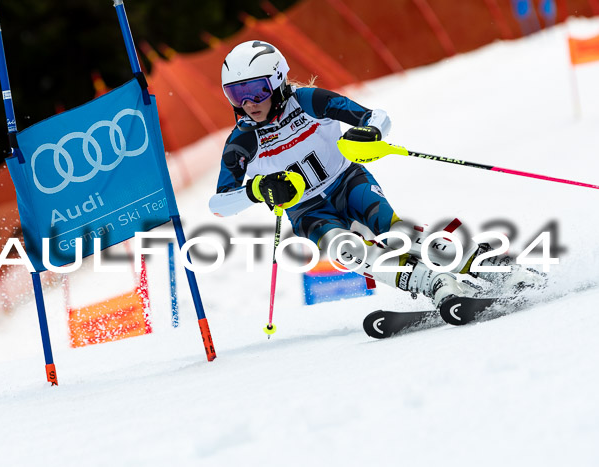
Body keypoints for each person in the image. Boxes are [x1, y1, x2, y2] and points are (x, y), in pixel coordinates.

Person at [208, 40, 535, 308]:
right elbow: (219, 204)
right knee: (345, 249)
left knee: (395, 233)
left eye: (257, 90)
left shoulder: (308, 101)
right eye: (237, 94)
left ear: (278, 81)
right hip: (307, 208)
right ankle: (435, 284)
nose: (249, 103)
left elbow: (375, 116)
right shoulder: (243, 141)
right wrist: (258, 189)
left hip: (347, 181)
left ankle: (494, 268)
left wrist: (369, 133)